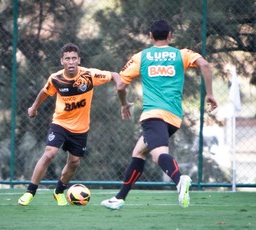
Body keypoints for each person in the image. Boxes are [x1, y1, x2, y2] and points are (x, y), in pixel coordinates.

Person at [101, 19, 218, 209]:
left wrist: (124, 104)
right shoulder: (182, 54)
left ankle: (180, 180)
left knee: (158, 155)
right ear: (170, 35)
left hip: (153, 115)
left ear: (150, 36)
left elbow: (121, 84)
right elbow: (205, 65)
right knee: (139, 152)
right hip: (173, 117)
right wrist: (210, 94)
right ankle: (119, 198)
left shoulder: (141, 57)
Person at [18, 43, 122, 206]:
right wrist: (33, 107)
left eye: (74, 58)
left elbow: (114, 74)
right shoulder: (56, 78)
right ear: (62, 61)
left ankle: (59, 192)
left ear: (79, 60)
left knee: (74, 162)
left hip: (81, 129)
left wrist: (119, 84)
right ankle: (30, 192)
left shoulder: (89, 76)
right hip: (60, 123)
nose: (71, 61)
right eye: (68, 59)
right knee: (49, 154)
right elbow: (45, 92)